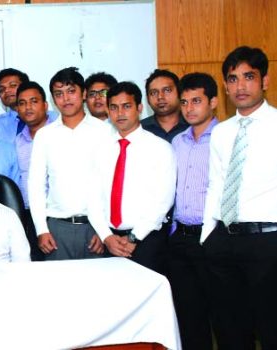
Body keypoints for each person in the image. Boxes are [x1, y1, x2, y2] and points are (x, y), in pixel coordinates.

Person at [201, 46, 277, 350]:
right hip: (223, 241)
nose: (240, 86)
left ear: (265, 81)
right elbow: (215, 184)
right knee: (231, 332)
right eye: (232, 79)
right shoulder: (221, 131)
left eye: (249, 77)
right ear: (225, 86)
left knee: (272, 329)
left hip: (269, 242)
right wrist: (209, 236)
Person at [88, 82, 175, 274]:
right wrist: (106, 236)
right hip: (110, 241)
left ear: (140, 108)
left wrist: (134, 237)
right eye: (114, 107)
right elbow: (93, 199)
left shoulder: (160, 148)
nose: (120, 113)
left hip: (147, 240)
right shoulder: (101, 150)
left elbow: (163, 201)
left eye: (126, 106)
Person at [30, 67, 113, 261]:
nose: (66, 99)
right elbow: (36, 186)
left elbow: (111, 184)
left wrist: (105, 232)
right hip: (57, 230)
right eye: (59, 94)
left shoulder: (105, 132)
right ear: (52, 99)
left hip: (95, 229)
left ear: (83, 93)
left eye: (71, 91)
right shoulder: (45, 135)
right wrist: (41, 229)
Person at [170, 72, 219, 350]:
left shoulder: (224, 137)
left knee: (224, 314)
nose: (189, 108)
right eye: (185, 101)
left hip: (212, 237)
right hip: (181, 238)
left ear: (213, 102)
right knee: (189, 315)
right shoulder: (178, 142)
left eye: (196, 101)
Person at [15, 81, 54, 209]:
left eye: (34, 101)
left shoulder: (59, 135)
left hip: (56, 215)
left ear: (45, 105)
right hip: (27, 212)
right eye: (22, 103)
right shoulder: (17, 142)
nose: (28, 107)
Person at [142, 69, 189, 142]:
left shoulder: (192, 126)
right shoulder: (139, 129)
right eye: (154, 93)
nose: (160, 97)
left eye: (167, 90)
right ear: (148, 99)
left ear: (180, 93)